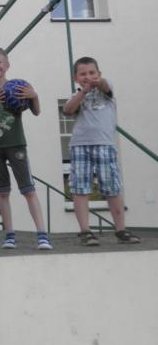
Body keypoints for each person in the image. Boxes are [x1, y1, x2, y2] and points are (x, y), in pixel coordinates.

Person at [0, 47, 51, 250]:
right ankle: (9, 235)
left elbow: (36, 111)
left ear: (7, 65)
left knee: (28, 190)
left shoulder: (19, 87)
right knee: (3, 193)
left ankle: (42, 235)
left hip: (16, 144)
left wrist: (34, 96)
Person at [63, 56, 140, 246]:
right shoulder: (76, 94)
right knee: (80, 188)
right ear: (76, 78)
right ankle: (85, 231)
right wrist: (83, 92)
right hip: (80, 145)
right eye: (83, 74)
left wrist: (98, 83)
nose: (88, 77)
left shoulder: (106, 89)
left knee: (112, 187)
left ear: (99, 74)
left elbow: (106, 87)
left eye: (92, 73)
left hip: (104, 144)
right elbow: (68, 110)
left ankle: (121, 230)